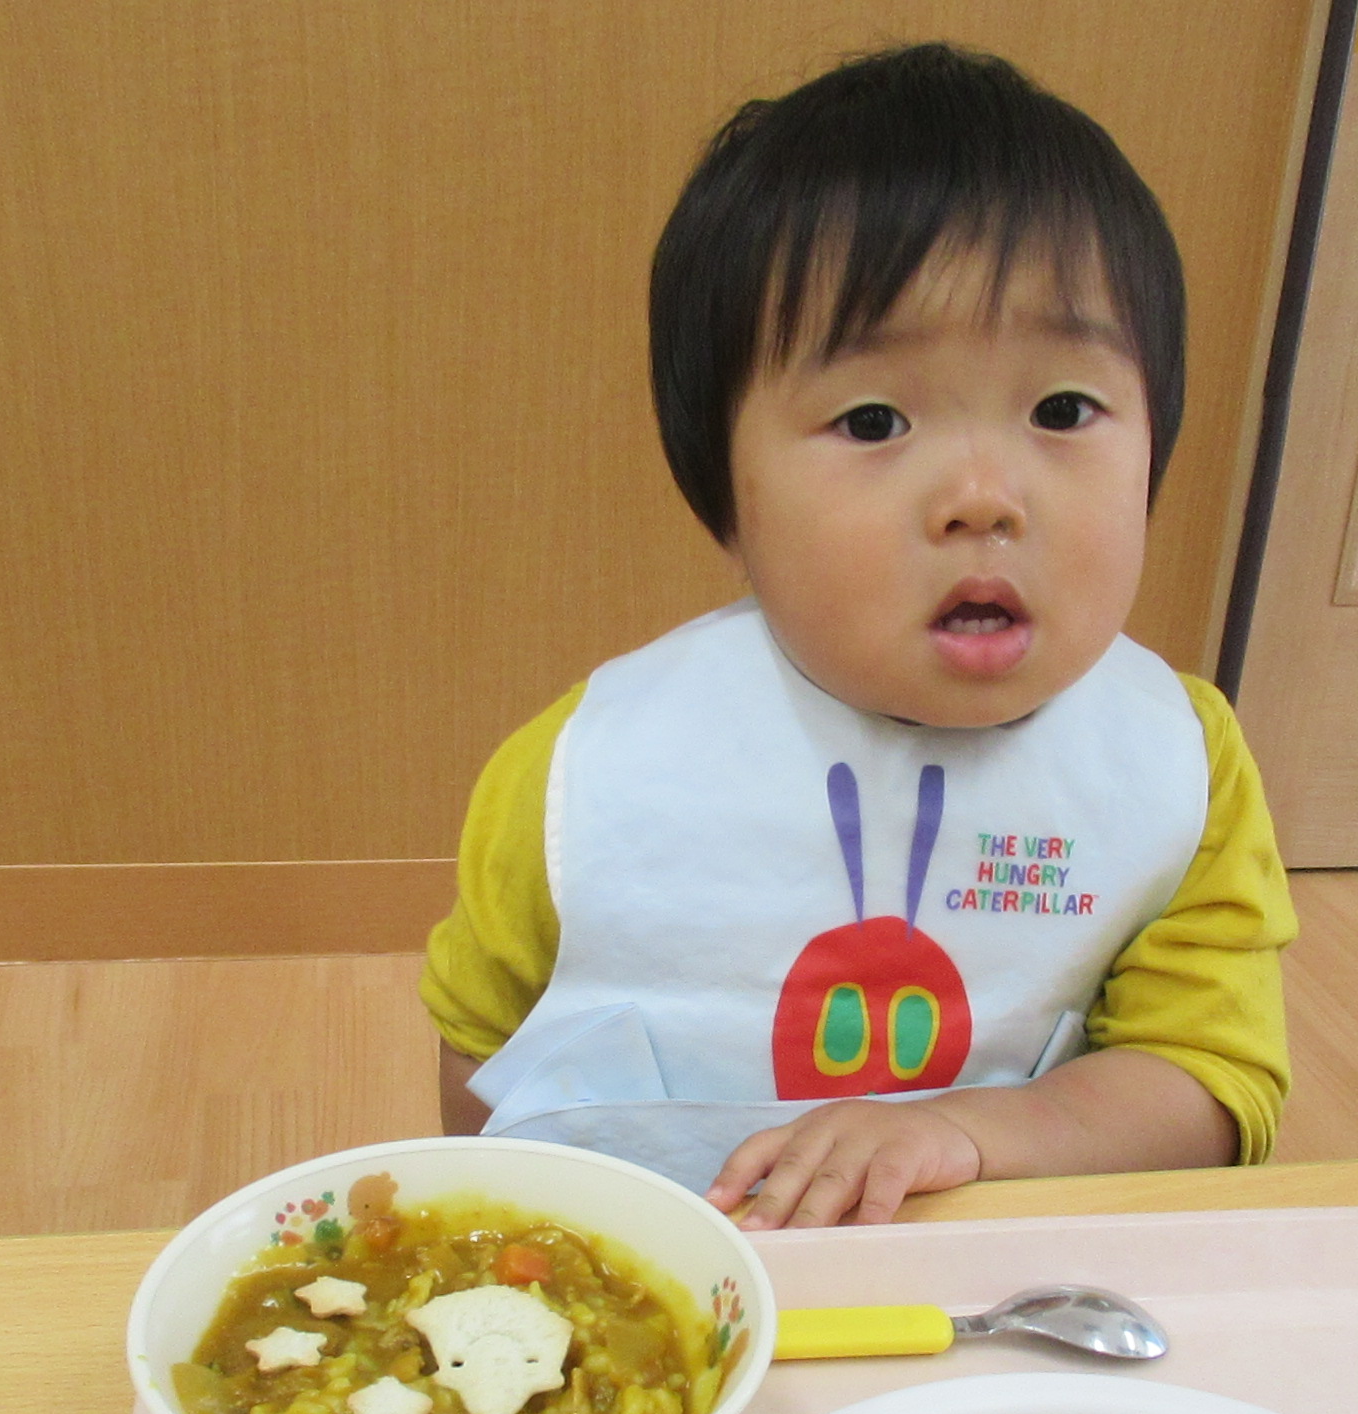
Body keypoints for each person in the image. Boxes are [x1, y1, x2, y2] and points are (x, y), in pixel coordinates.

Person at [420, 42, 1294, 1229]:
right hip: (666, 1278)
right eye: (876, 420)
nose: (983, 497)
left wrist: (966, 1133)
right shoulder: (595, 769)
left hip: (1012, 1283)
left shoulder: (1173, 768)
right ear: (724, 495)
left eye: (1063, 409)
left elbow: (1211, 1083)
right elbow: (484, 1068)